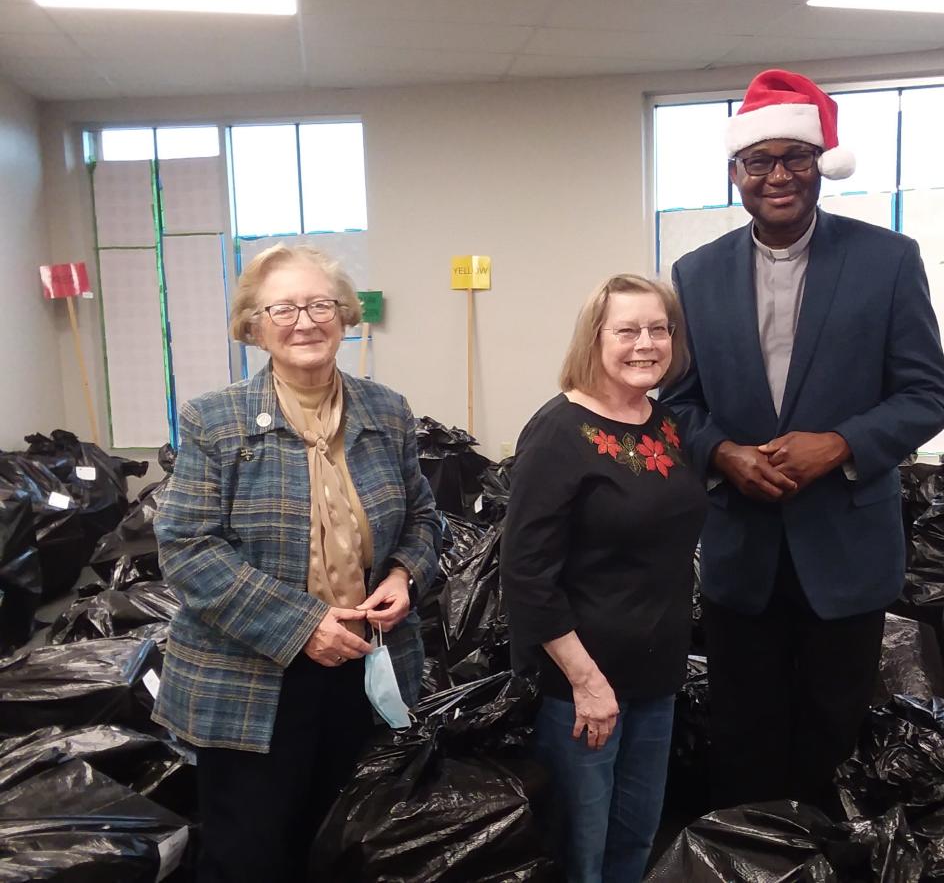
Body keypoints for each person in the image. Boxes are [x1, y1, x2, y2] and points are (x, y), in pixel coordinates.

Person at [662, 68, 944, 809]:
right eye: (759, 161)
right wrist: (723, 454)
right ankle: (755, 852)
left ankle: (829, 854)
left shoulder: (887, 260)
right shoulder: (695, 274)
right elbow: (681, 403)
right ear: (736, 174)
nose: (778, 175)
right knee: (743, 730)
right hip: (741, 549)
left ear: (821, 161)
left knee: (833, 729)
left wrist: (843, 445)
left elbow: (927, 394)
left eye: (795, 156)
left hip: (846, 548)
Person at [152, 243, 441, 883]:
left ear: (345, 316)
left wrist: (404, 575)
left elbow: (424, 519)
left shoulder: (386, 410)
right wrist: (304, 625)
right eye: (283, 308)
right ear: (254, 326)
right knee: (250, 855)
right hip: (250, 677)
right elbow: (188, 548)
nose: (304, 322)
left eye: (320, 305)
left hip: (363, 666)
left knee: (342, 844)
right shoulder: (213, 420)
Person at [501, 275, 707, 883]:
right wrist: (588, 683)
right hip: (582, 681)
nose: (645, 343)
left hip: (657, 672)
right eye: (627, 330)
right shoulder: (559, 431)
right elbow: (526, 573)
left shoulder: (665, 424)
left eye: (659, 329)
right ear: (595, 339)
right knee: (580, 851)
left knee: (634, 839)